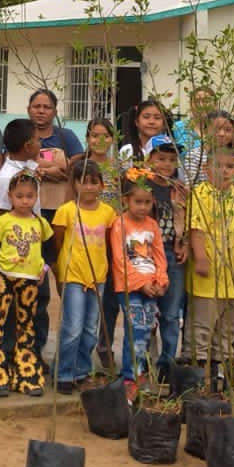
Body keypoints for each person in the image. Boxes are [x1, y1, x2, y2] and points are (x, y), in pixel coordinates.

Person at [0, 173, 52, 396]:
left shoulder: (40, 223)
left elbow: (51, 247)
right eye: (19, 196)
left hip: (29, 281)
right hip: (4, 278)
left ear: (36, 197)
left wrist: (45, 267)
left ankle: (26, 371)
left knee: (26, 324)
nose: (25, 200)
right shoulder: (3, 221)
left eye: (30, 196)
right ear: (10, 196)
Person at [51, 158, 116, 392]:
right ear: (74, 184)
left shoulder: (108, 213)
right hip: (73, 276)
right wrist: (59, 273)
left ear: (102, 185)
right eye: (83, 182)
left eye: (93, 182)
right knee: (73, 327)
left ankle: (81, 371)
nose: (88, 187)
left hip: (98, 277)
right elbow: (56, 243)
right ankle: (64, 373)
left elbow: (110, 245)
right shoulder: (66, 212)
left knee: (90, 329)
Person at [28, 88, 82, 361]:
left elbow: (76, 167)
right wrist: (52, 171)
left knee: (66, 281)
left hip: (61, 217)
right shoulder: (23, 136)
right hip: (33, 216)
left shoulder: (66, 137)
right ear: (29, 109)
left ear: (55, 110)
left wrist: (47, 171)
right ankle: (35, 349)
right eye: (36, 106)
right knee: (38, 286)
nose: (41, 111)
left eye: (46, 106)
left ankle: (69, 352)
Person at [187, 147, 234, 383]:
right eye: (218, 166)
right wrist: (201, 256)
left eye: (230, 167)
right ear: (206, 170)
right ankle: (198, 375)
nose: (224, 171)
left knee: (229, 328)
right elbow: (196, 228)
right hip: (208, 276)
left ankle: (221, 372)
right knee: (202, 327)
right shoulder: (201, 193)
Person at [111, 169, 169, 385]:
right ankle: (130, 377)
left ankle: (140, 372)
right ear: (127, 200)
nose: (143, 207)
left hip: (151, 287)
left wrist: (160, 281)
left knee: (146, 331)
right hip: (131, 288)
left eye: (147, 202)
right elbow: (120, 260)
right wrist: (142, 283)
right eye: (138, 202)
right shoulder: (120, 225)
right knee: (134, 330)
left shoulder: (152, 225)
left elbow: (160, 256)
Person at [144, 136, 187, 376]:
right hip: (146, 254)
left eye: (172, 159)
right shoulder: (141, 186)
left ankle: (167, 365)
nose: (166, 164)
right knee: (146, 311)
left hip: (172, 252)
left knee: (171, 314)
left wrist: (186, 243)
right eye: (160, 158)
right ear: (149, 159)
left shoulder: (179, 189)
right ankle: (144, 360)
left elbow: (189, 219)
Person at [85, 116, 125, 372]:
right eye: (94, 135)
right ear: (87, 137)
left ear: (113, 139)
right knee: (87, 297)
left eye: (106, 136)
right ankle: (81, 352)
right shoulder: (81, 167)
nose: (100, 141)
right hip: (87, 239)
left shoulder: (119, 169)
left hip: (114, 239)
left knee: (111, 297)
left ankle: (105, 344)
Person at [181, 108, 234, 188]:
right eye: (216, 129)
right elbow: (191, 187)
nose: (222, 133)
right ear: (205, 131)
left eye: (227, 130)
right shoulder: (194, 155)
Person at [117, 99, 173, 164]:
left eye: (157, 118)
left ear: (164, 124)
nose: (151, 122)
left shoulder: (173, 149)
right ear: (136, 122)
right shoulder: (128, 151)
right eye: (146, 117)